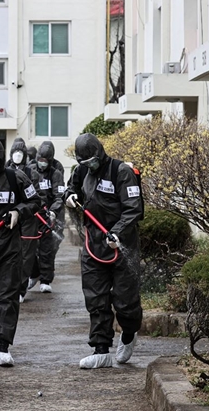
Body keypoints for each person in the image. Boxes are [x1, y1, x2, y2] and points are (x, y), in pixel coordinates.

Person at [64, 133, 143, 369]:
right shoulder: (81, 172)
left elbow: (133, 209)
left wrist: (117, 231)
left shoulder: (121, 172)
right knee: (95, 297)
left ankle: (129, 334)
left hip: (121, 242)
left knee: (125, 302)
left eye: (92, 162)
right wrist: (69, 197)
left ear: (100, 153)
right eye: (85, 163)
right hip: (93, 242)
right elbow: (70, 189)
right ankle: (100, 349)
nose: (90, 166)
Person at [0, 138, 41, 367]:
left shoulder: (16, 178)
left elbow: (35, 201)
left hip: (9, 248)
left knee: (6, 295)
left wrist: (18, 211)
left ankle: (3, 345)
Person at [4, 138, 44, 304]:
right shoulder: (4, 172)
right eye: (15, 152)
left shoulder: (32, 173)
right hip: (10, 217)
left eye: (21, 153)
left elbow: (36, 198)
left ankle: (20, 289)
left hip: (28, 218)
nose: (18, 156)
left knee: (27, 254)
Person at [27, 141, 66, 294]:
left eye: (45, 161)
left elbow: (59, 196)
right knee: (29, 248)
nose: (42, 163)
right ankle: (33, 273)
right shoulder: (30, 170)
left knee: (47, 249)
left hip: (48, 216)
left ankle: (45, 279)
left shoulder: (55, 174)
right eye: (40, 160)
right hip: (33, 214)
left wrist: (53, 212)